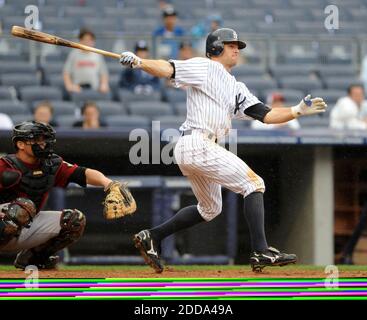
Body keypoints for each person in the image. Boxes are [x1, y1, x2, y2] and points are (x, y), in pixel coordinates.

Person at [119, 28, 327, 273]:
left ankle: (152, 236)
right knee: (254, 184)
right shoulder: (205, 67)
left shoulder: (236, 87)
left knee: (210, 209)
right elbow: (168, 68)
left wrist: (296, 111)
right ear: (216, 48)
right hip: (198, 143)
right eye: (230, 45)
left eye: (237, 45)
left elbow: (266, 115)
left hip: (198, 147)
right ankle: (260, 250)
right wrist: (140, 62)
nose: (236, 48)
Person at [0, 121, 119, 269]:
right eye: (37, 139)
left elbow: (82, 173)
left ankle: (33, 258)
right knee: (24, 207)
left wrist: (108, 183)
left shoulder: (51, 164)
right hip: (6, 219)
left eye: (43, 139)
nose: (42, 143)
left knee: (74, 221)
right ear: (20, 144)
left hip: (26, 225)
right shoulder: (5, 165)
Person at [63, 28, 109, 94]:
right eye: (85, 40)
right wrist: (69, 86)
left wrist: (104, 84)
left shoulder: (97, 55)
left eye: (90, 40)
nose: (87, 42)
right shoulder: (74, 54)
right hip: (77, 89)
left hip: (94, 89)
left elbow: (103, 73)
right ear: (80, 41)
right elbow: (66, 73)